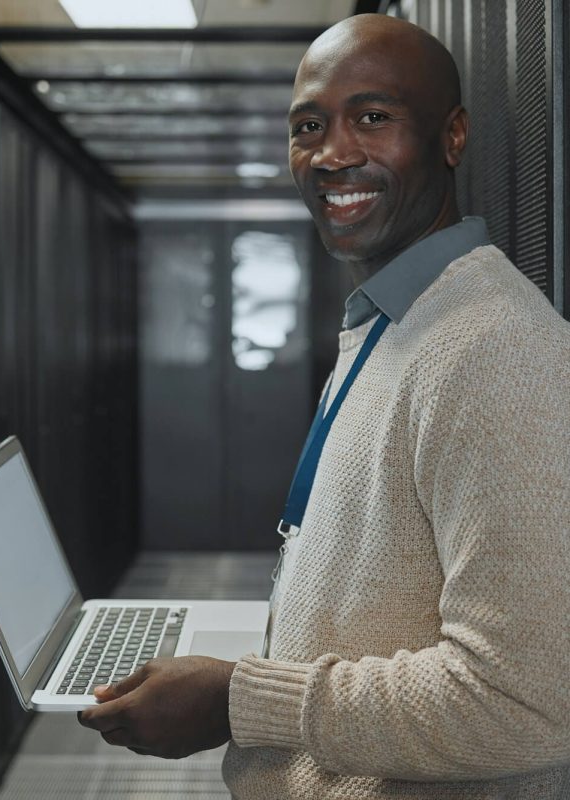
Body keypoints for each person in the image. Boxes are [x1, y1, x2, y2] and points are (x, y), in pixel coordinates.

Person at [79, 13, 570, 799]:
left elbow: (526, 703)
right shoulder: (393, 320)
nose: (332, 153)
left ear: (452, 136)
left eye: (372, 117)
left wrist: (238, 700)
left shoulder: (497, 350)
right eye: (309, 125)